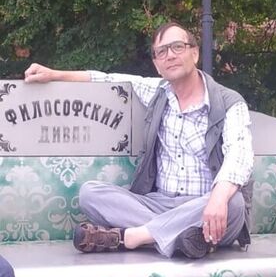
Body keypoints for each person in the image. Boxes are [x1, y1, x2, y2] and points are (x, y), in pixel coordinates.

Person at [24, 22, 254, 259]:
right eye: (161, 51)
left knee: (233, 203)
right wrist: (55, 75)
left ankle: (133, 237)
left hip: (204, 206)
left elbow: (240, 157)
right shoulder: (157, 92)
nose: (170, 55)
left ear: (194, 53)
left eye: (177, 47)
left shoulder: (229, 102)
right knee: (90, 194)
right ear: (157, 65)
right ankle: (182, 239)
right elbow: (106, 79)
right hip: (158, 203)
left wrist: (217, 199)